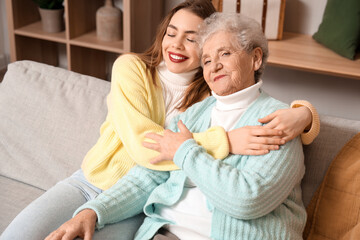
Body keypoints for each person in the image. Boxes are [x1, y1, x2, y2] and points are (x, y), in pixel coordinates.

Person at [2, 1, 318, 239]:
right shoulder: (147, 80)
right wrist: (93, 211)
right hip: (100, 184)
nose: (214, 65)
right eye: (210, 58)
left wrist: (304, 114)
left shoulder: (253, 115)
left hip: (156, 214)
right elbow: (149, 162)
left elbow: (246, 199)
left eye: (223, 54)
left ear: (255, 57)